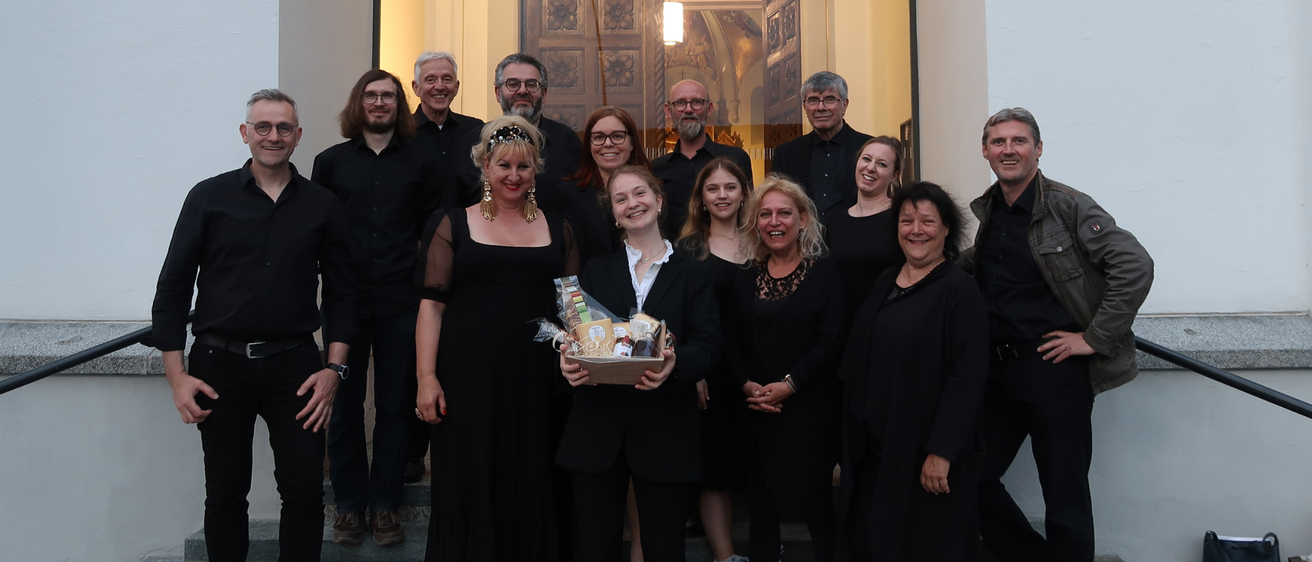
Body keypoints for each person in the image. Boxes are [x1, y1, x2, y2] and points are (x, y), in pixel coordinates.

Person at [150, 89, 361, 562]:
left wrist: (334, 369)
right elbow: (173, 288)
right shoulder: (208, 197)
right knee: (225, 494)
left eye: (284, 128)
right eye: (262, 127)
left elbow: (346, 294)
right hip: (218, 367)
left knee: (305, 492)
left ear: (298, 136)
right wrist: (176, 376)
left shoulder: (323, 205)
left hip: (297, 369)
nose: (273, 136)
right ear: (245, 134)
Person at [962, 108, 1153, 562]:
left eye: (1019, 141)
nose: (1009, 150)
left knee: (1064, 498)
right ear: (986, 151)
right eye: (999, 142)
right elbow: (975, 270)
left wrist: (1093, 337)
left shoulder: (1069, 206)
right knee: (969, 478)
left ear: (1038, 149)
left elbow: (1135, 264)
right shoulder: (990, 211)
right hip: (997, 374)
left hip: (1056, 372)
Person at [415, 115, 580, 561]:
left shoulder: (558, 228)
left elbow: (574, 308)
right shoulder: (451, 224)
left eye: (524, 167)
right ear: (484, 167)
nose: (513, 176)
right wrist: (426, 379)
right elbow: (431, 304)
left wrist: (594, 352)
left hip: (538, 381)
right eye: (503, 165)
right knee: (469, 479)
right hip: (467, 380)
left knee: (534, 477)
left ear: (535, 170)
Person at [557, 165, 721, 562]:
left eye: (640, 194)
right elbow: (579, 338)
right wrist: (568, 362)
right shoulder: (594, 272)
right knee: (596, 548)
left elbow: (711, 344)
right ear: (613, 214)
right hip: (598, 430)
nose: (633, 204)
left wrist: (675, 364)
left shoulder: (694, 273)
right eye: (621, 198)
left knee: (665, 549)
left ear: (659, 201)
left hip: (665, 429)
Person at [312, 69, 443, 546]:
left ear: (399, 105)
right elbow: (317, 231)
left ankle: (385, 504)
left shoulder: (424, 161)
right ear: (358, 103)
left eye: (388, 95)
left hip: (401, 301)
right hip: (343, 302)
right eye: (371, 95)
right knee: (343, 405)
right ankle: (349, 506)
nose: (380, 103)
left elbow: (432, 233)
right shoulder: (329, 163)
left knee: (394, 406)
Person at [835, 182, 990, 561]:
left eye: (927, 221)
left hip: (924, 455)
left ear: (947, 229)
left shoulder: (960, 290)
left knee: (923, 545)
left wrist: (941, 451)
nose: (916, 229)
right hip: (876, 453)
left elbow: (966, 379)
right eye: (907, 220)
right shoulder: (886, 280)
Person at [725, 176, 844, 562]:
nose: (775, 222)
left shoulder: (824, 274)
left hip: (807, 412)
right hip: (757, 412)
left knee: (818, 511)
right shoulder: (744, 278)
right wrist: (747, 386)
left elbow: (831, 342)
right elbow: (732, 339)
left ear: (803, 220)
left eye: (784, 213)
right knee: (761, 511)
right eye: (766, 214)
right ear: (756, 223)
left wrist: (789, 385)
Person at [675, 157, 753, 562]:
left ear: (743, 193)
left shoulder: (765, 236)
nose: (722, 195)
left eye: (730, 187)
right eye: (713, 189)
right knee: (716, 467)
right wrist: (694, 371)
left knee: (757, 461)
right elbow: (679, 314)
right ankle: (726, 556)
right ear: (701, 198)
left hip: (759, 368)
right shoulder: (689, 248)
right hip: (712, 371)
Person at [453, 53, 582, 209]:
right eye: (513, 84)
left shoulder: (568, 141)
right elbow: (457, 203)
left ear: (544, 93)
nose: (522, 90)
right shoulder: (475, 139)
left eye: (532, 84)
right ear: (498, 93)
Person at [651, 79, 753, 237]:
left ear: (709, 109)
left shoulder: (735, 159)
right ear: (668, 111)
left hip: (725, 255)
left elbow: (747, 213)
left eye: (697, 102)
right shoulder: (656, 169)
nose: (688, 109)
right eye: (680, 103)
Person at [769, 71, 874, 222]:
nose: (820, 107)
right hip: (801, 243)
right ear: (804, 107)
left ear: (844, 105)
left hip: (858, 239)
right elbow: (774, 203)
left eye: (829, 99)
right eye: (813, 100)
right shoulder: (786, 154)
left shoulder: (869, 148)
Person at [824, 136, 905, 322]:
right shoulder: (834, 221)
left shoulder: (901, 219)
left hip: (885, 324)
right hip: (842, 327)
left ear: (895, 175)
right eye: (866, 159)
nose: (870, 168)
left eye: (882, 164)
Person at [559, 106, 651, 264]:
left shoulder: (652, 193)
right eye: (599, 137)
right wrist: (575, 290)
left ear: (632, 143)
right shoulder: (567, 195)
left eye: (617, 136)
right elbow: (562, 262)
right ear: (589, 145)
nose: (608, 144)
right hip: (589, 287)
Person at [410, 51, 485, 210]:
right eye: (430, 80)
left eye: (447, 79)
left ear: (456, 87)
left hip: (466, 230)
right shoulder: (401, 132)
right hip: (415, 232)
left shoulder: (476, 130)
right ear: (416, 88)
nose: (439, 86)